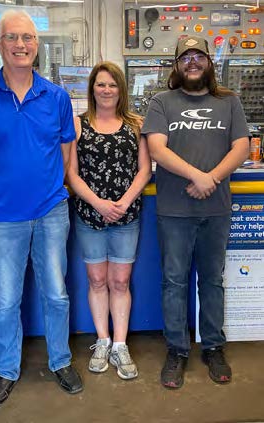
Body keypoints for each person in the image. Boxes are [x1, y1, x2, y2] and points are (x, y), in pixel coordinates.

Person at [0, 9, 83, 408]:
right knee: (6, 300)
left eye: (27, 38)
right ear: (0, 44)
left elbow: (65, 155)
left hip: (50, 213)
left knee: (57, 294)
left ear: (37, 45)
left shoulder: (56, 97)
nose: (21, 45)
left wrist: (43, 191)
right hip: (1, 219)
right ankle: (7, 370)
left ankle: (60, 361)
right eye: (12, 38)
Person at [142, 36, 250, 389]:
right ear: (176, 65)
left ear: (208, 63)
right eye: (185, 57)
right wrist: (198, 177)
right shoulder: (161, 102)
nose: (192, 62)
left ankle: (213, 346)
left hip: (216, 209)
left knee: (213, 281)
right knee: (173, 282)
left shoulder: (229, 102)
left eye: (198, 56)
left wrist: (213, 178)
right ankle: (177, 350)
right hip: (174, 210)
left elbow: (242, 147)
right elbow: (157, 149)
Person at [66, 62, 151, 380]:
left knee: (120, 282)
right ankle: (102, 340)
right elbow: (71, 173)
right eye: (100, 84)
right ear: (92, 89)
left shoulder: (135, 124)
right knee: (98, 281)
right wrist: (99, 203)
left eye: (112, 85)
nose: (106, 90)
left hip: (127, 216)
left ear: (121, 90)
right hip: (90, 216)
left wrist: (124, 202)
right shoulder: (78, 125)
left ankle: (120, 344)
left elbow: (144, 169)